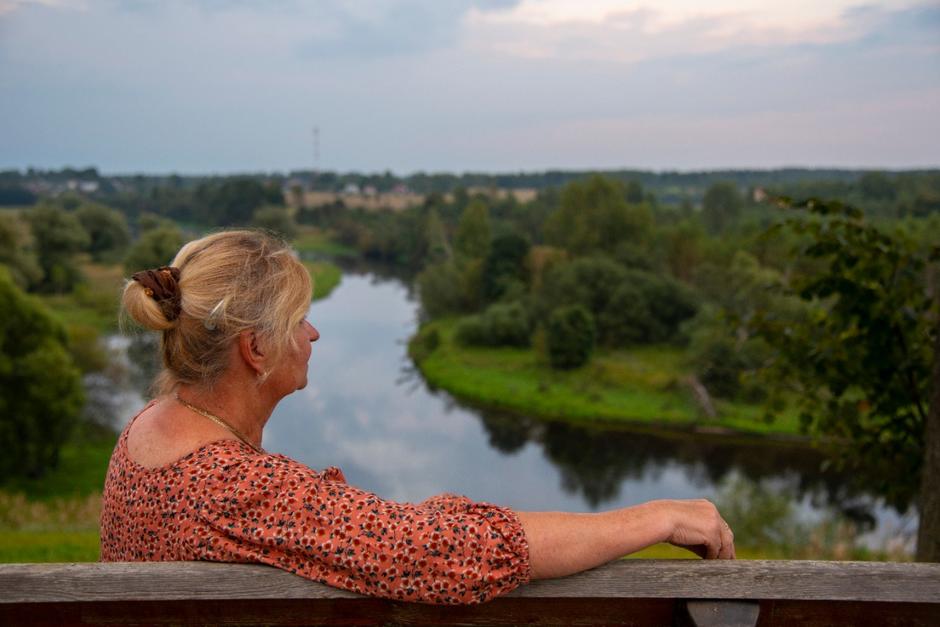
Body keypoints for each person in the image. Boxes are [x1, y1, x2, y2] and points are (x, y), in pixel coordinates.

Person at [100, 230, 735, 606]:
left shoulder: (147, 432)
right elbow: (458, 555)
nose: (314, 334)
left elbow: (325, 531)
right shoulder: (234, 485)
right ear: (255, 348)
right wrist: (658, 516)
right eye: (299, 323)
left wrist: (402, 522)